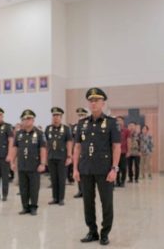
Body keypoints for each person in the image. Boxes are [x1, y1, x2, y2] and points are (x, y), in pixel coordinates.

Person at [73, 87, 120, 246]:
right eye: (91, 101)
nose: (93, 103)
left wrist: (114, 168)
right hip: (86, 169)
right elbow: (77, 147)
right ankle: (92, 231)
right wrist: (75, 168)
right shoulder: (82, 123)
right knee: (88, 202)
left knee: (106, 202)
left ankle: (105, 233)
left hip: (105, 170)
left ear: (103, 103)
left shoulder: (111, 123)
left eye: (97, 100)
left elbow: (116, 147)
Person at [10, 109, 47, 215]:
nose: (27, 121)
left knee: (34, 188)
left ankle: (34, 207)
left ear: (33, 120)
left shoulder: (39, 133)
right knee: (23, 188)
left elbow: (43, 149)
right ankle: (25, 207)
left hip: (35, 166)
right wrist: (12, 162)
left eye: (29, 119)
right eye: (24, 119)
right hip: (22, 165)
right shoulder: (19, 134)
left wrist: (43, 163)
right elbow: (15, 148)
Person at [45, 107, 73, 206]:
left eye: (57, 116)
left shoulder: (66, 129)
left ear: (61, 117)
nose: (55, 118)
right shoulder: (48, 128)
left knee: (61, 178)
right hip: (51, 157)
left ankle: (61, 198)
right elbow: (47, 143)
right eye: (54, 116)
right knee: (53, 178)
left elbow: (69, 142)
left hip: (62, 157)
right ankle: (55, 197)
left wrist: (69, 156)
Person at [72, 107, 88, 198]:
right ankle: (80, 190)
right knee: (78, 171)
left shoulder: (88, 125)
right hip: (77, 152)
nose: (80, 117)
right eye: (79, 115)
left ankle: (85, 190)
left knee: (85, 173)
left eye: (82, 115)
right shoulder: (75, 126)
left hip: (85, 152)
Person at [115, 116, 130, 187]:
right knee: (116, 167)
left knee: (123, 168)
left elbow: (128, 141)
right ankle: (117, 181)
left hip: (123, 152)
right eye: (117, 120)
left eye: (120, 120)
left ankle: (122, 181)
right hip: (115, 153)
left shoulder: (126, 131)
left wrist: (128, 151)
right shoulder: (114, 130)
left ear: (123, 122)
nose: (119, 122)